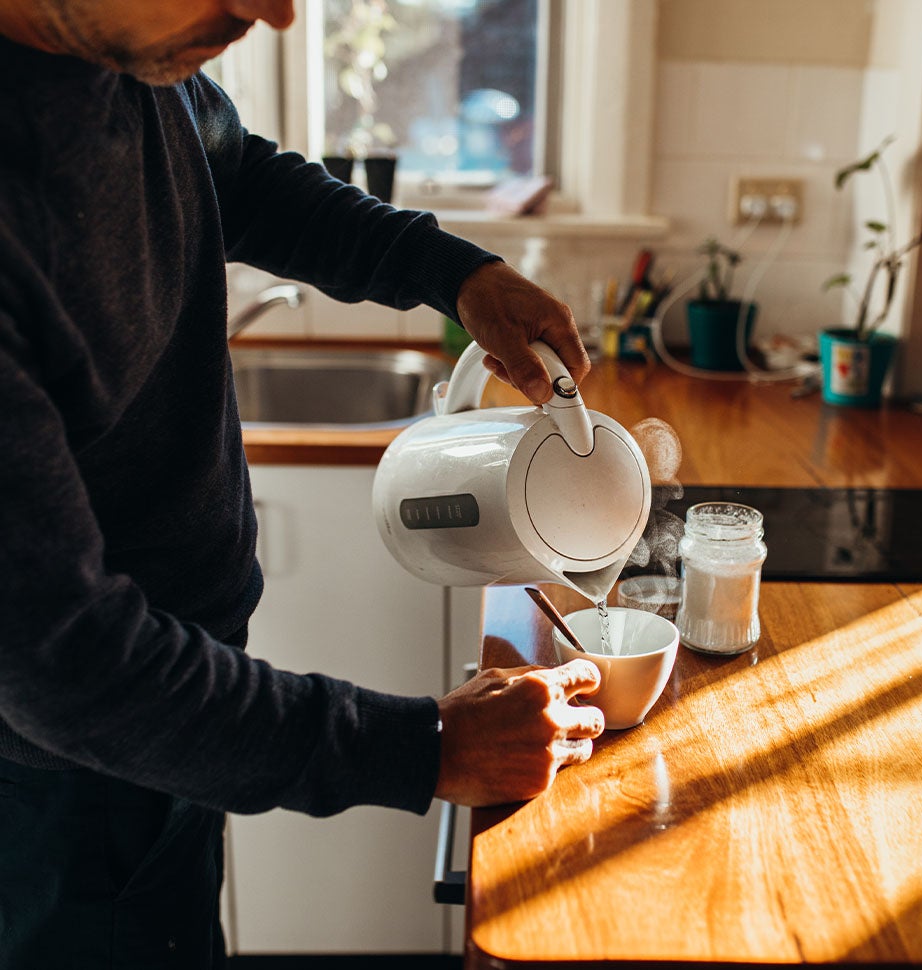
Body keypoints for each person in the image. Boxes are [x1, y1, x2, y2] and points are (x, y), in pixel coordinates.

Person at [0, 2, 604, 966]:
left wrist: (453, 273)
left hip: (176, 710)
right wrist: (422, 749)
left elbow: (235, 173)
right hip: (64, 784)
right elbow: (65, 666)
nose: (274, 11)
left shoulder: (126, 55)